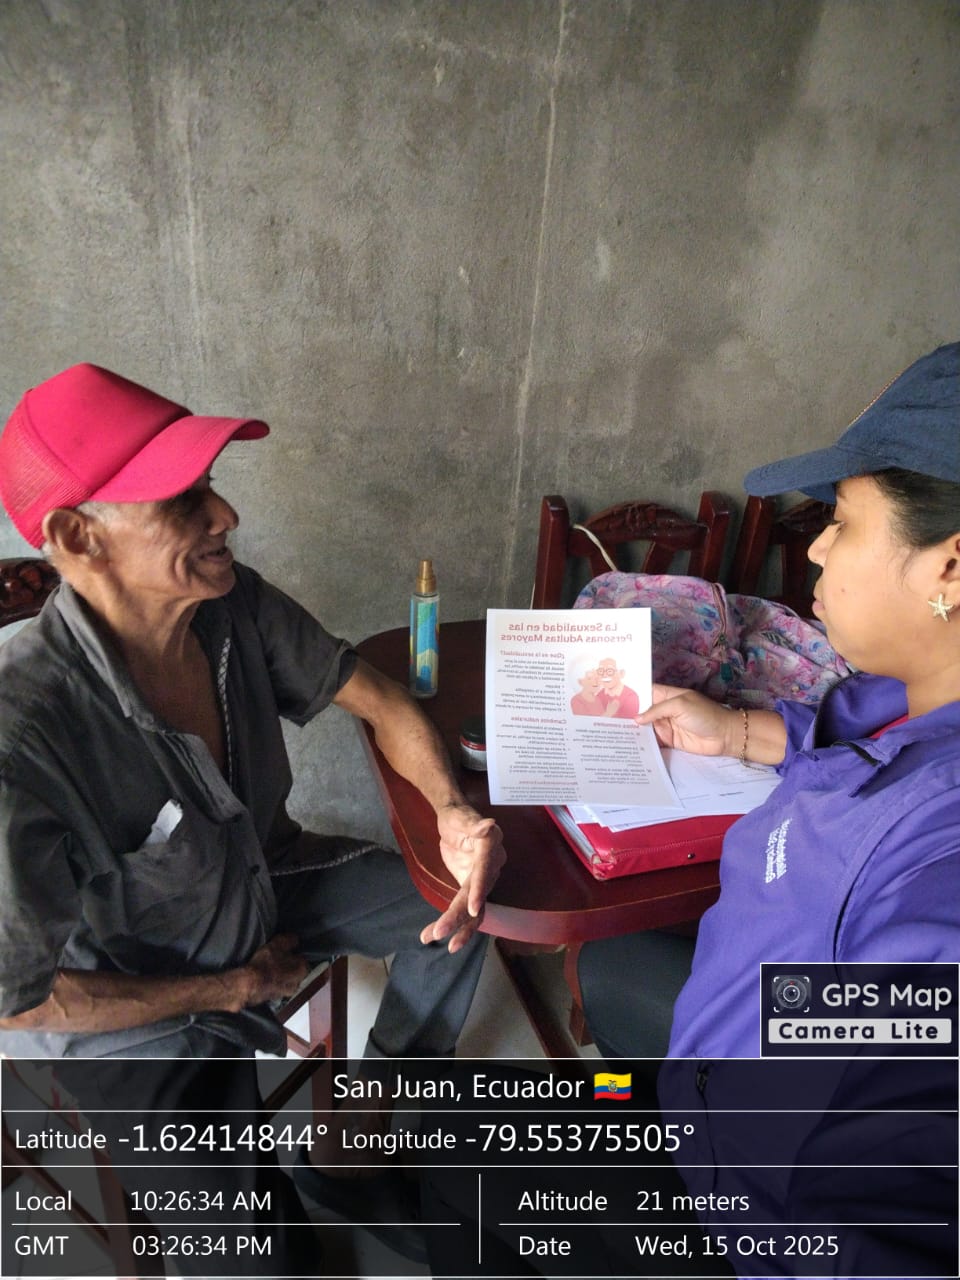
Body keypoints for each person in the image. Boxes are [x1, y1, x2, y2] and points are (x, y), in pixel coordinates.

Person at [0, 363, 506, 1263]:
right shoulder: (24, 737)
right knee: (251, 1256)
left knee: (462, 908)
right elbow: (20, 1004)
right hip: (134, 1008)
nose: (225, 515)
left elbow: (384, 701)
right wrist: (228, 988)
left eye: (211, 485)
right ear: (80, 537)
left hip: (266, 883)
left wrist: (453, 815)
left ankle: (355, 1135)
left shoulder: (232, 607)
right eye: (182, 501)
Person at [578, 340, 960, 1060]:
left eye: (843, 521)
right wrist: (733, 731)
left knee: (465, 1126)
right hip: (724, 1026)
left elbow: (886, 1099)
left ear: (950, 567)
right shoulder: (905, 692)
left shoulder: (936, 859)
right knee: (607, 964)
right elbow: (847, 740)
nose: (815, 549)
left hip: (738, 1117)